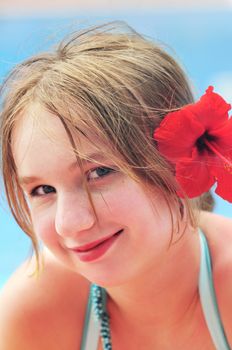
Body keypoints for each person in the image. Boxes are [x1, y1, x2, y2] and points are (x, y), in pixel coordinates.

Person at [0, 21, 232, 350]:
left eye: (99, 172)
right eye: (43, 190)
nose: (70, 223)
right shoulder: (35, 312)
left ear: (182, 162)